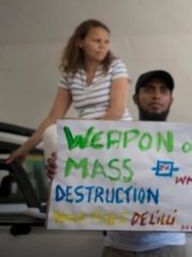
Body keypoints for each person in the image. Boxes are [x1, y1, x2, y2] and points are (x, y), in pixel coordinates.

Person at [47, 69, 192, 257]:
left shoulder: (188, 146)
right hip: (118, 248)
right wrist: (60, 171)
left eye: (163, 90)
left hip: (168, 247)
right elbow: (83, 175)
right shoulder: (109, 140)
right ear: (136, 98)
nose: (156, 95)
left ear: (171, 99)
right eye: (149, 89)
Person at [7, 19, 131, 164]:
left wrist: (84, 136)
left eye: (106, 42)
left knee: (61, 132)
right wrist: (25, 148)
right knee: (52, 132)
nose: (103, 46)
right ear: (80, 42)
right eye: (97, 41)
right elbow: (53, 117)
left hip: (115, 133)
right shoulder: (70, 75)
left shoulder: (116, 66)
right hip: (85, 135)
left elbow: (117, 111)